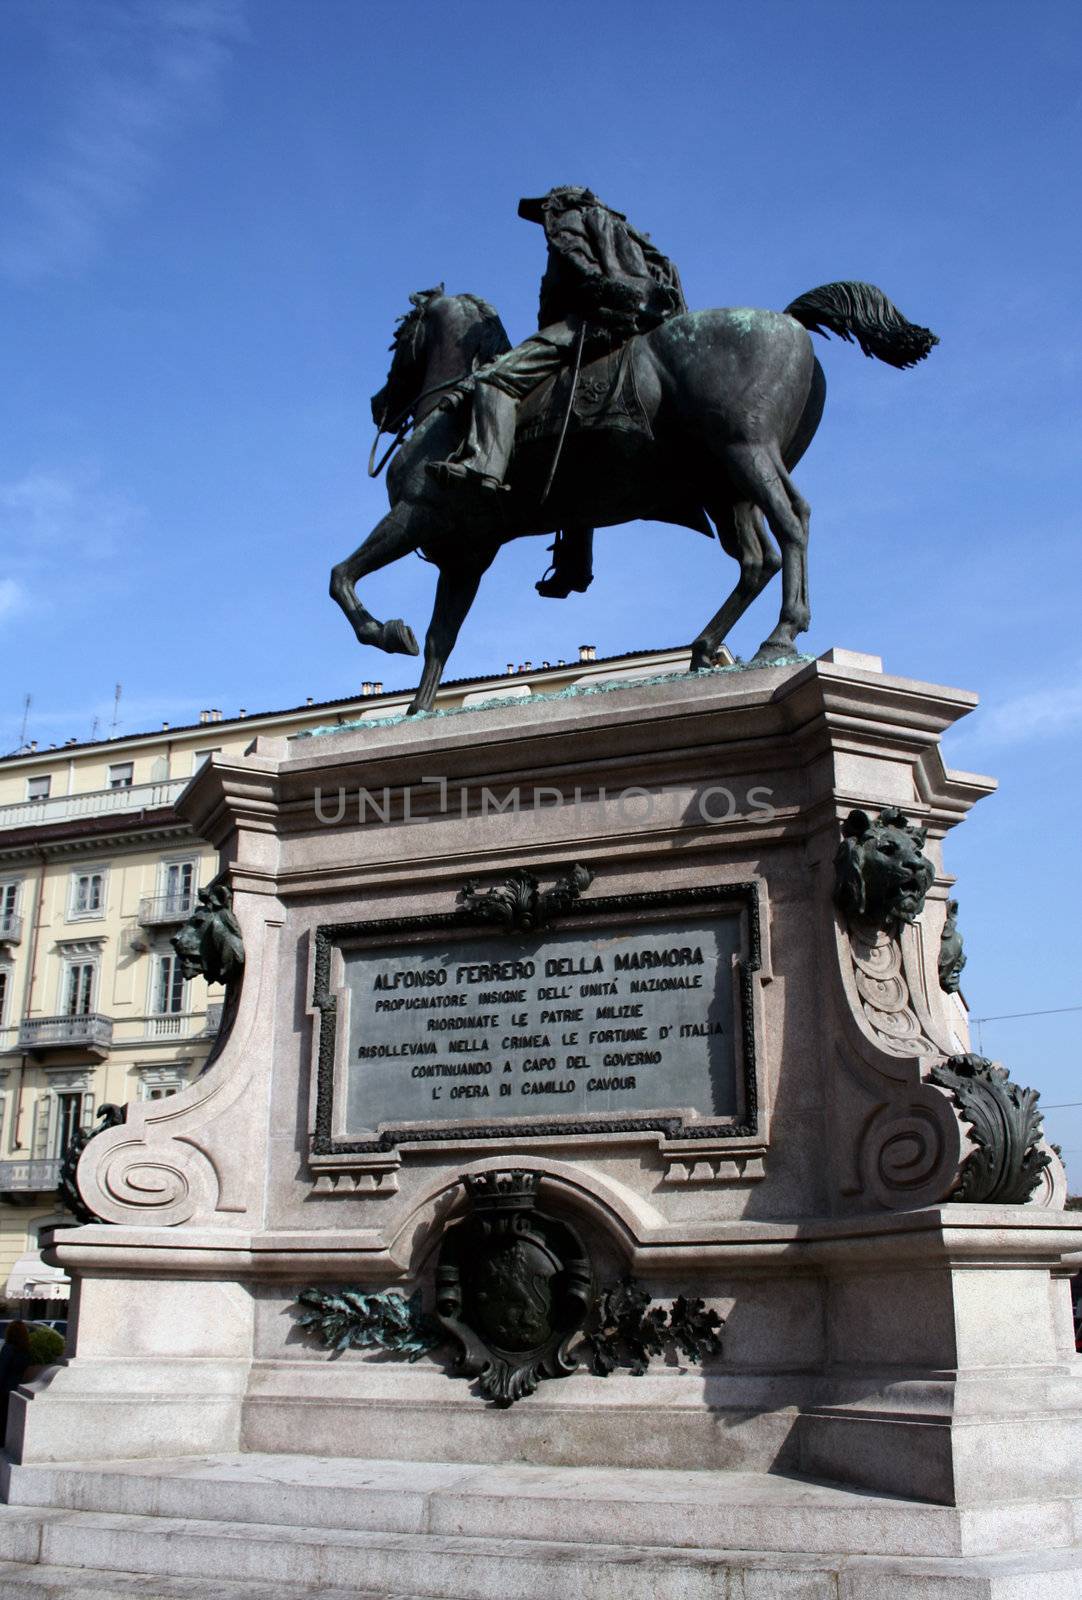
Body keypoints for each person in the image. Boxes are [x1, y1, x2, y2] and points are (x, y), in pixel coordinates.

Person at [428, 186, 686, 597]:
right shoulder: (624, 229)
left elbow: (585, 275)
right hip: (635, 321)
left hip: (591, 321)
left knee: (496, 378)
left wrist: (591, 303)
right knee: (572, 452)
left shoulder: (569, 222)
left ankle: (484, 466)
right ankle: (573, 563)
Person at [0, 1321, 33, 1441]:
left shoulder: (8, 1348)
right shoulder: (26, 1350)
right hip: (17, 1387)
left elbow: (2, 1368)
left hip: (4, 1388)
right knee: (10, 1417)